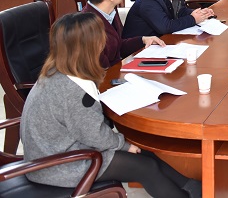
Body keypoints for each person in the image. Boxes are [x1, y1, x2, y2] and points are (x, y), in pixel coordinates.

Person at [20, 13, 201, 197]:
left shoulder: (58, 70)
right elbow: (94, 135)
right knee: (145, 167)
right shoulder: (72, 90)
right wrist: (124, 145)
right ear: (90, 45)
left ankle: (193, 187)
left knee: (144, 152)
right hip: (58, 165)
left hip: (56, 151)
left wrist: (124, 144)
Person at [81, 0, 165, 68]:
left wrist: (143, 40)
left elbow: (118, 45)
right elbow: (101, 69)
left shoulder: (110, 10)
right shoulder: (87, 25)